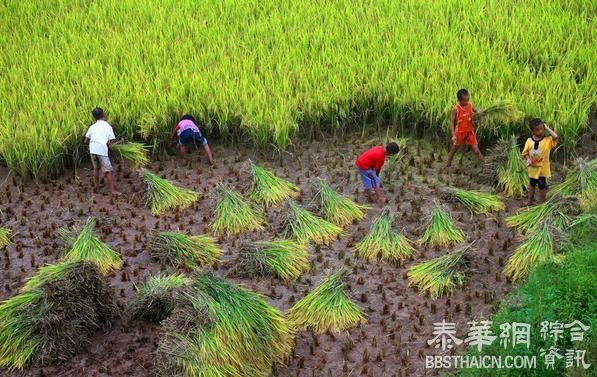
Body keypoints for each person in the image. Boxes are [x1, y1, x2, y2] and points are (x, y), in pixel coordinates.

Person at [522, 118, 558, 205]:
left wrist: (547, 128)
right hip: (532, 169)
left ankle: (542, 203)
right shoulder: (529, 141)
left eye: (542, 129)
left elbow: (555, 137)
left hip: (542, 169)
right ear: (532, 131)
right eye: (537, 130)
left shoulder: (547, 140)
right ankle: (529, 200)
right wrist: (528, 159)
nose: (540, 131)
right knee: (532, 184)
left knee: (542, 185)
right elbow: (525, 153)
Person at [84, 108, 120, 196]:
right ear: (103, 115)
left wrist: (94, 143)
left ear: (94, 117)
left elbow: (85, 141)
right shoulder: (107, 126)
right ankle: (112, 191)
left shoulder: (92, 127)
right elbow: (110, 142)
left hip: (92, 149)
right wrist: (109, 146)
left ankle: (97, 188)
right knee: (108, 171)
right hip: (101, 150)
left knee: (96, 169)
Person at [446, 89, 484, 167]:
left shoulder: (470, 106)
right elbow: (451, 122)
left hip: (470, 132)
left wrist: (481, 113)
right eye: (464, 101)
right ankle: (448, 165)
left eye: (468, 100)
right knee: (454, 150)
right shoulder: (456, 109)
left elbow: (477, 113)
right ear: (459, 100)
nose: (466, 102)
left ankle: (486, 166)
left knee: (476, 151)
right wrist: (453, 135)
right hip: (459, 133)